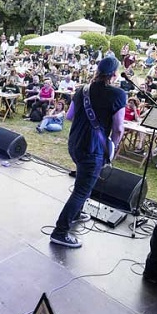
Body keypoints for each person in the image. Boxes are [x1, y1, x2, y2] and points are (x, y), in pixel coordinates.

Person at [50, 56, 126, 248]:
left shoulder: (83, 89)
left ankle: (75, 214)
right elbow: (118, 129)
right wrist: (112, 148)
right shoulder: (118, 94)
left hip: (75, 145)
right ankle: (60, 232)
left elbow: (69, 116)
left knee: (82, 183)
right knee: (81, 191)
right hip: (93, 150)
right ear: (114, 74)